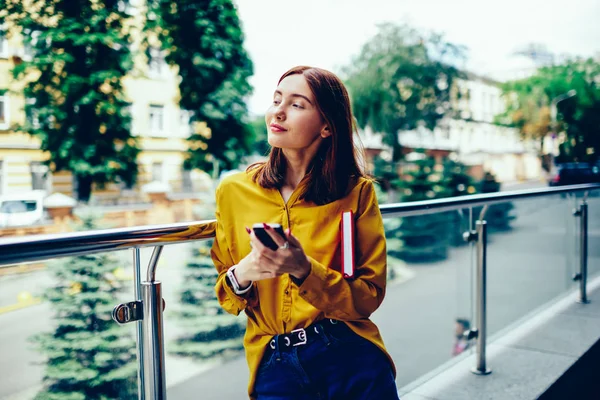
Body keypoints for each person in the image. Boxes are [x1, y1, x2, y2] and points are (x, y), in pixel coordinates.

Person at [211, 65, 399, 399]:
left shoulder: (356, 194)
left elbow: (368, 296)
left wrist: (303, 269)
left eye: (297, 105)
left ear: (327, 126)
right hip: (275, 364)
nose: (278, 112)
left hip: (349, 353)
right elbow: (228, 296)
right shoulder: (233, 190)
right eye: (276, 100)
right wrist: (244, 273)